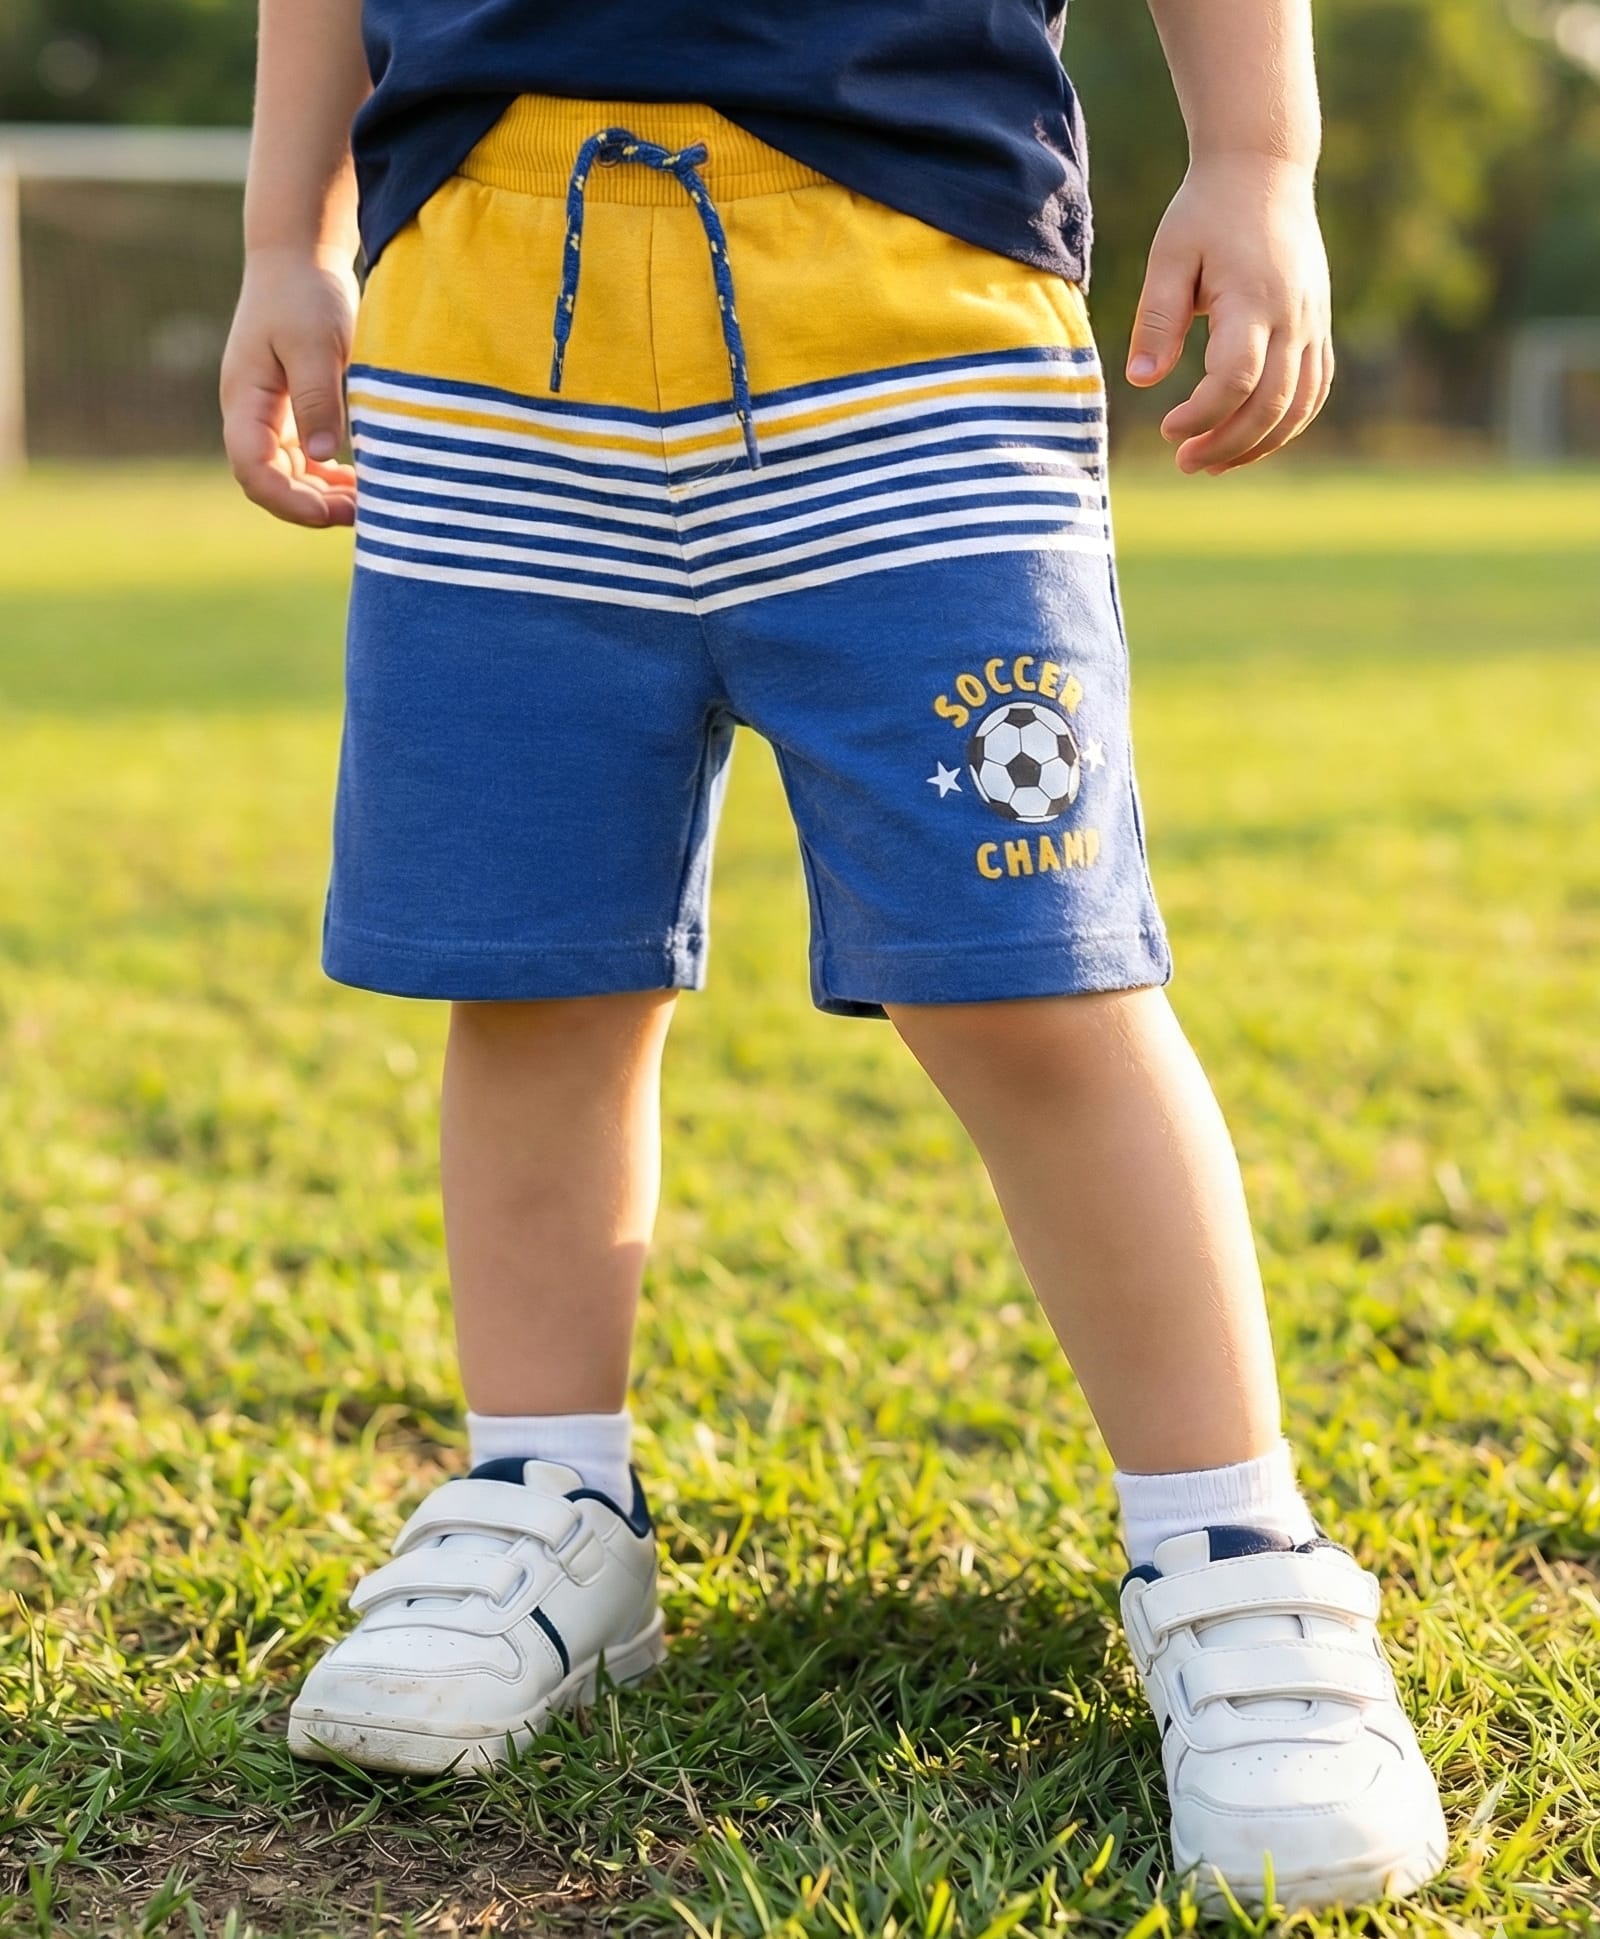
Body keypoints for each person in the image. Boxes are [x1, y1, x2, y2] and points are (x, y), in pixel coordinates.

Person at [221, 0, 1447, 1911]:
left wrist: (1260, 157)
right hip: (466, 294)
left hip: (908, 296)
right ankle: (549, 1496)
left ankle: (1232, 1554)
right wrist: (283, 241)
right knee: (531, 967)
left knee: (1026, 971)